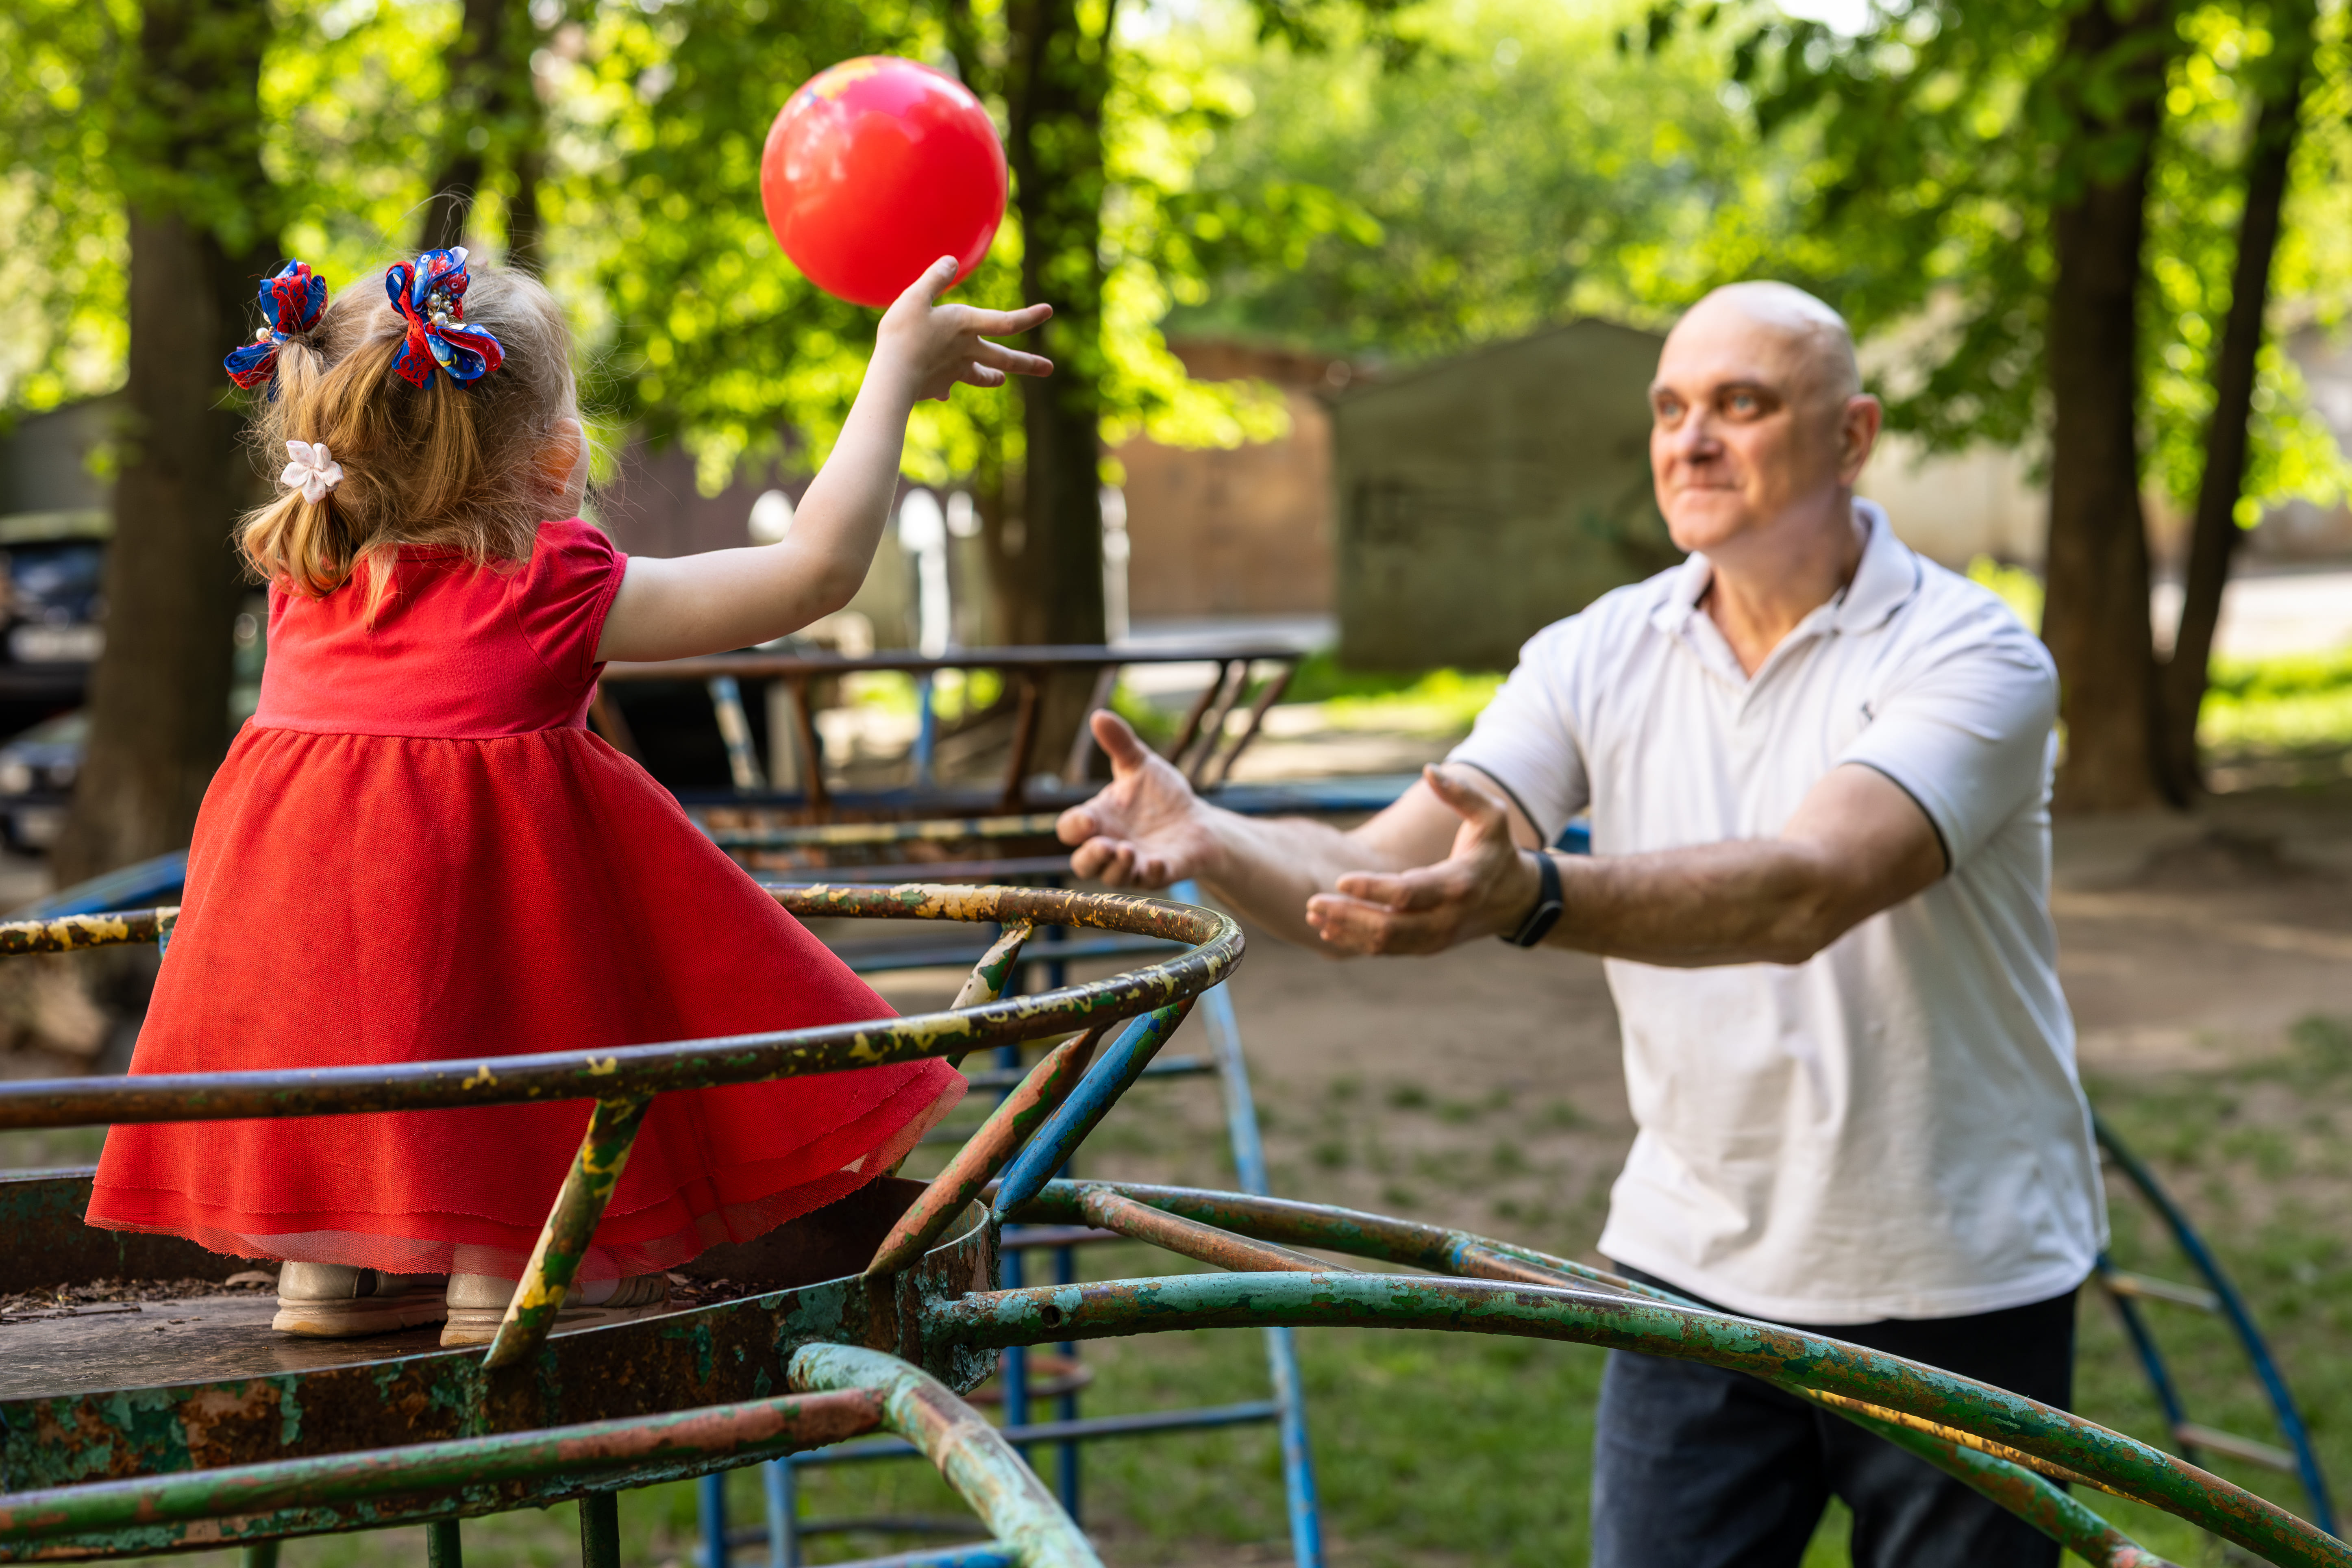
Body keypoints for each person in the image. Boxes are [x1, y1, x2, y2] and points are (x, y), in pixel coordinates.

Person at [1057, 282, 2103, 1568]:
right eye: (1670, 407)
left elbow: (1803, 890)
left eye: (1741, 403)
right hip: (1689, 1268)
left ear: (1850, 435)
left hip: (1955, 1271)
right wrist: (1216, 836)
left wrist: (1539, 896)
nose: (1690, 439)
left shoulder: (1972, 654)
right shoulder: (1598, 650)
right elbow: (1368, 881)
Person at [89, 247, 1052, 1348]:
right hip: (490, 970)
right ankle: (509, 1273)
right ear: (555, 459)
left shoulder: (306, 580)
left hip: (294, 972)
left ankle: (330, 1276)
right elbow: (812, 574)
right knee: (519, 948)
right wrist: (892, 368)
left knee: (371, 950)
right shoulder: (552, 583)